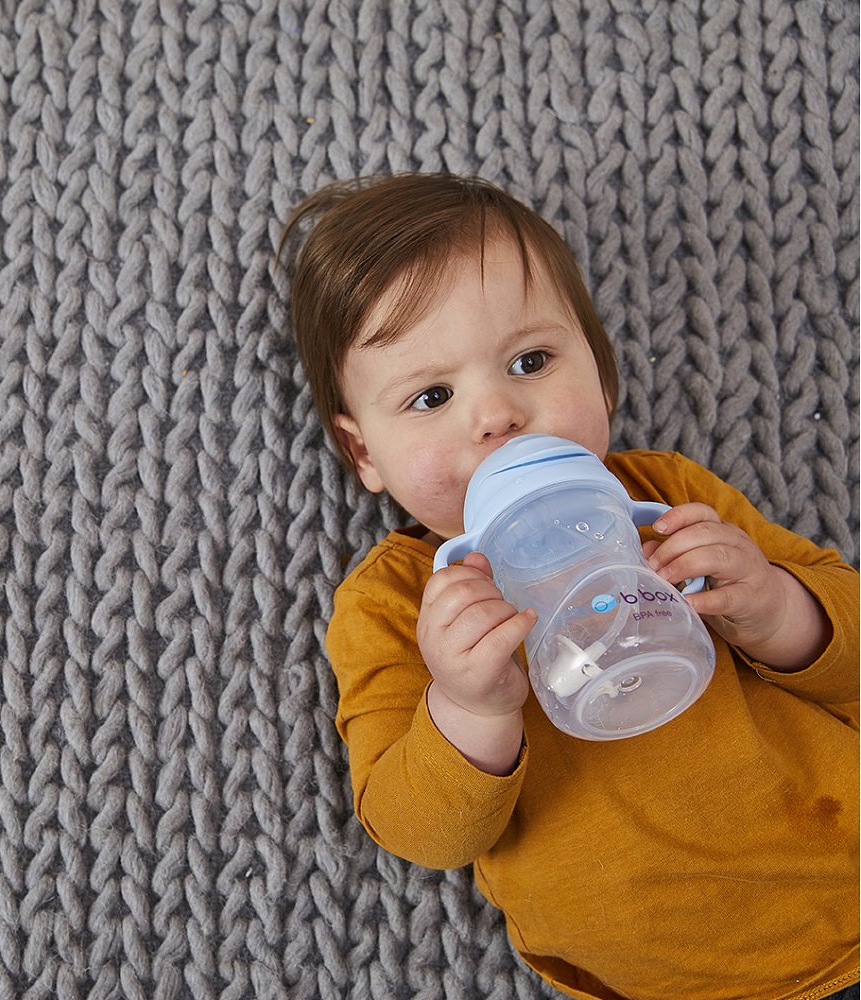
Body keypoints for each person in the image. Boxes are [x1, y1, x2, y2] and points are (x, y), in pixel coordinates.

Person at [279, 173, 860, 1000]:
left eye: (530, 360)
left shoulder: (665, 495)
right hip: (655, 969)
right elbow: (420, 833)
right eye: (431, 396)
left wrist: (773, 606)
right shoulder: (395, 603)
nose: (496, 413)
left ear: (602, 374)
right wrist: (470, 707)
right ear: (363, 452)